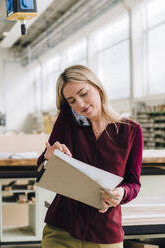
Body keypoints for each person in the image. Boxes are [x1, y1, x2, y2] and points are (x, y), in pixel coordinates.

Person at [37, 65, 143, 248]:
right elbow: (41, 171)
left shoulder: (130, 130)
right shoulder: (66, 122)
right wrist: (48, 158)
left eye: (83, 93)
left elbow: (134, 183)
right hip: (61, 229)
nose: (80, 104)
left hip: (104, 233)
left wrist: (121, 193)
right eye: (72, 101)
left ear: (98, 88)